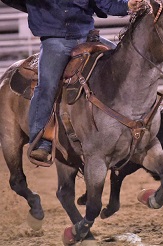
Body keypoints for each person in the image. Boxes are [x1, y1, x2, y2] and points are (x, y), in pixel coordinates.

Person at [1, 0, 145, 163]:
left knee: (123, 65)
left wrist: (127, 6)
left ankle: (133, 125)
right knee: (47, 86)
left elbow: (105, 3)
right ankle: (40, 140)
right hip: (55, 40)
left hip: (88, 37)